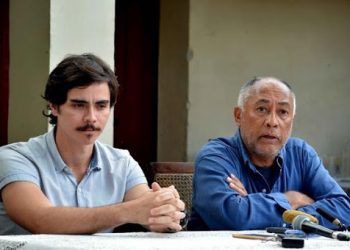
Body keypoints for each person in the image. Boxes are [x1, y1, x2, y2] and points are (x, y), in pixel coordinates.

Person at [0, 53, 185, 235]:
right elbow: (41, 220)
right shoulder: (14, 158)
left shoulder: (122, 163)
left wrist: (166, 212)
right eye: (78, 105)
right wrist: (128, 211)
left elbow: (148, 210)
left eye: (101, 106)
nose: (91, 118)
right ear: (54, 107)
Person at [188, 76, 350, 231]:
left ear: (291, 121)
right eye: (262, 109)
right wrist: (290, 200)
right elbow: (232, 215)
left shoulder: (301, 154)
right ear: (239, 115)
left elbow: (344, 208)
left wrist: (252, 206)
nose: (272, 122)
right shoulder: (216, 156)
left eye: (283, 112)